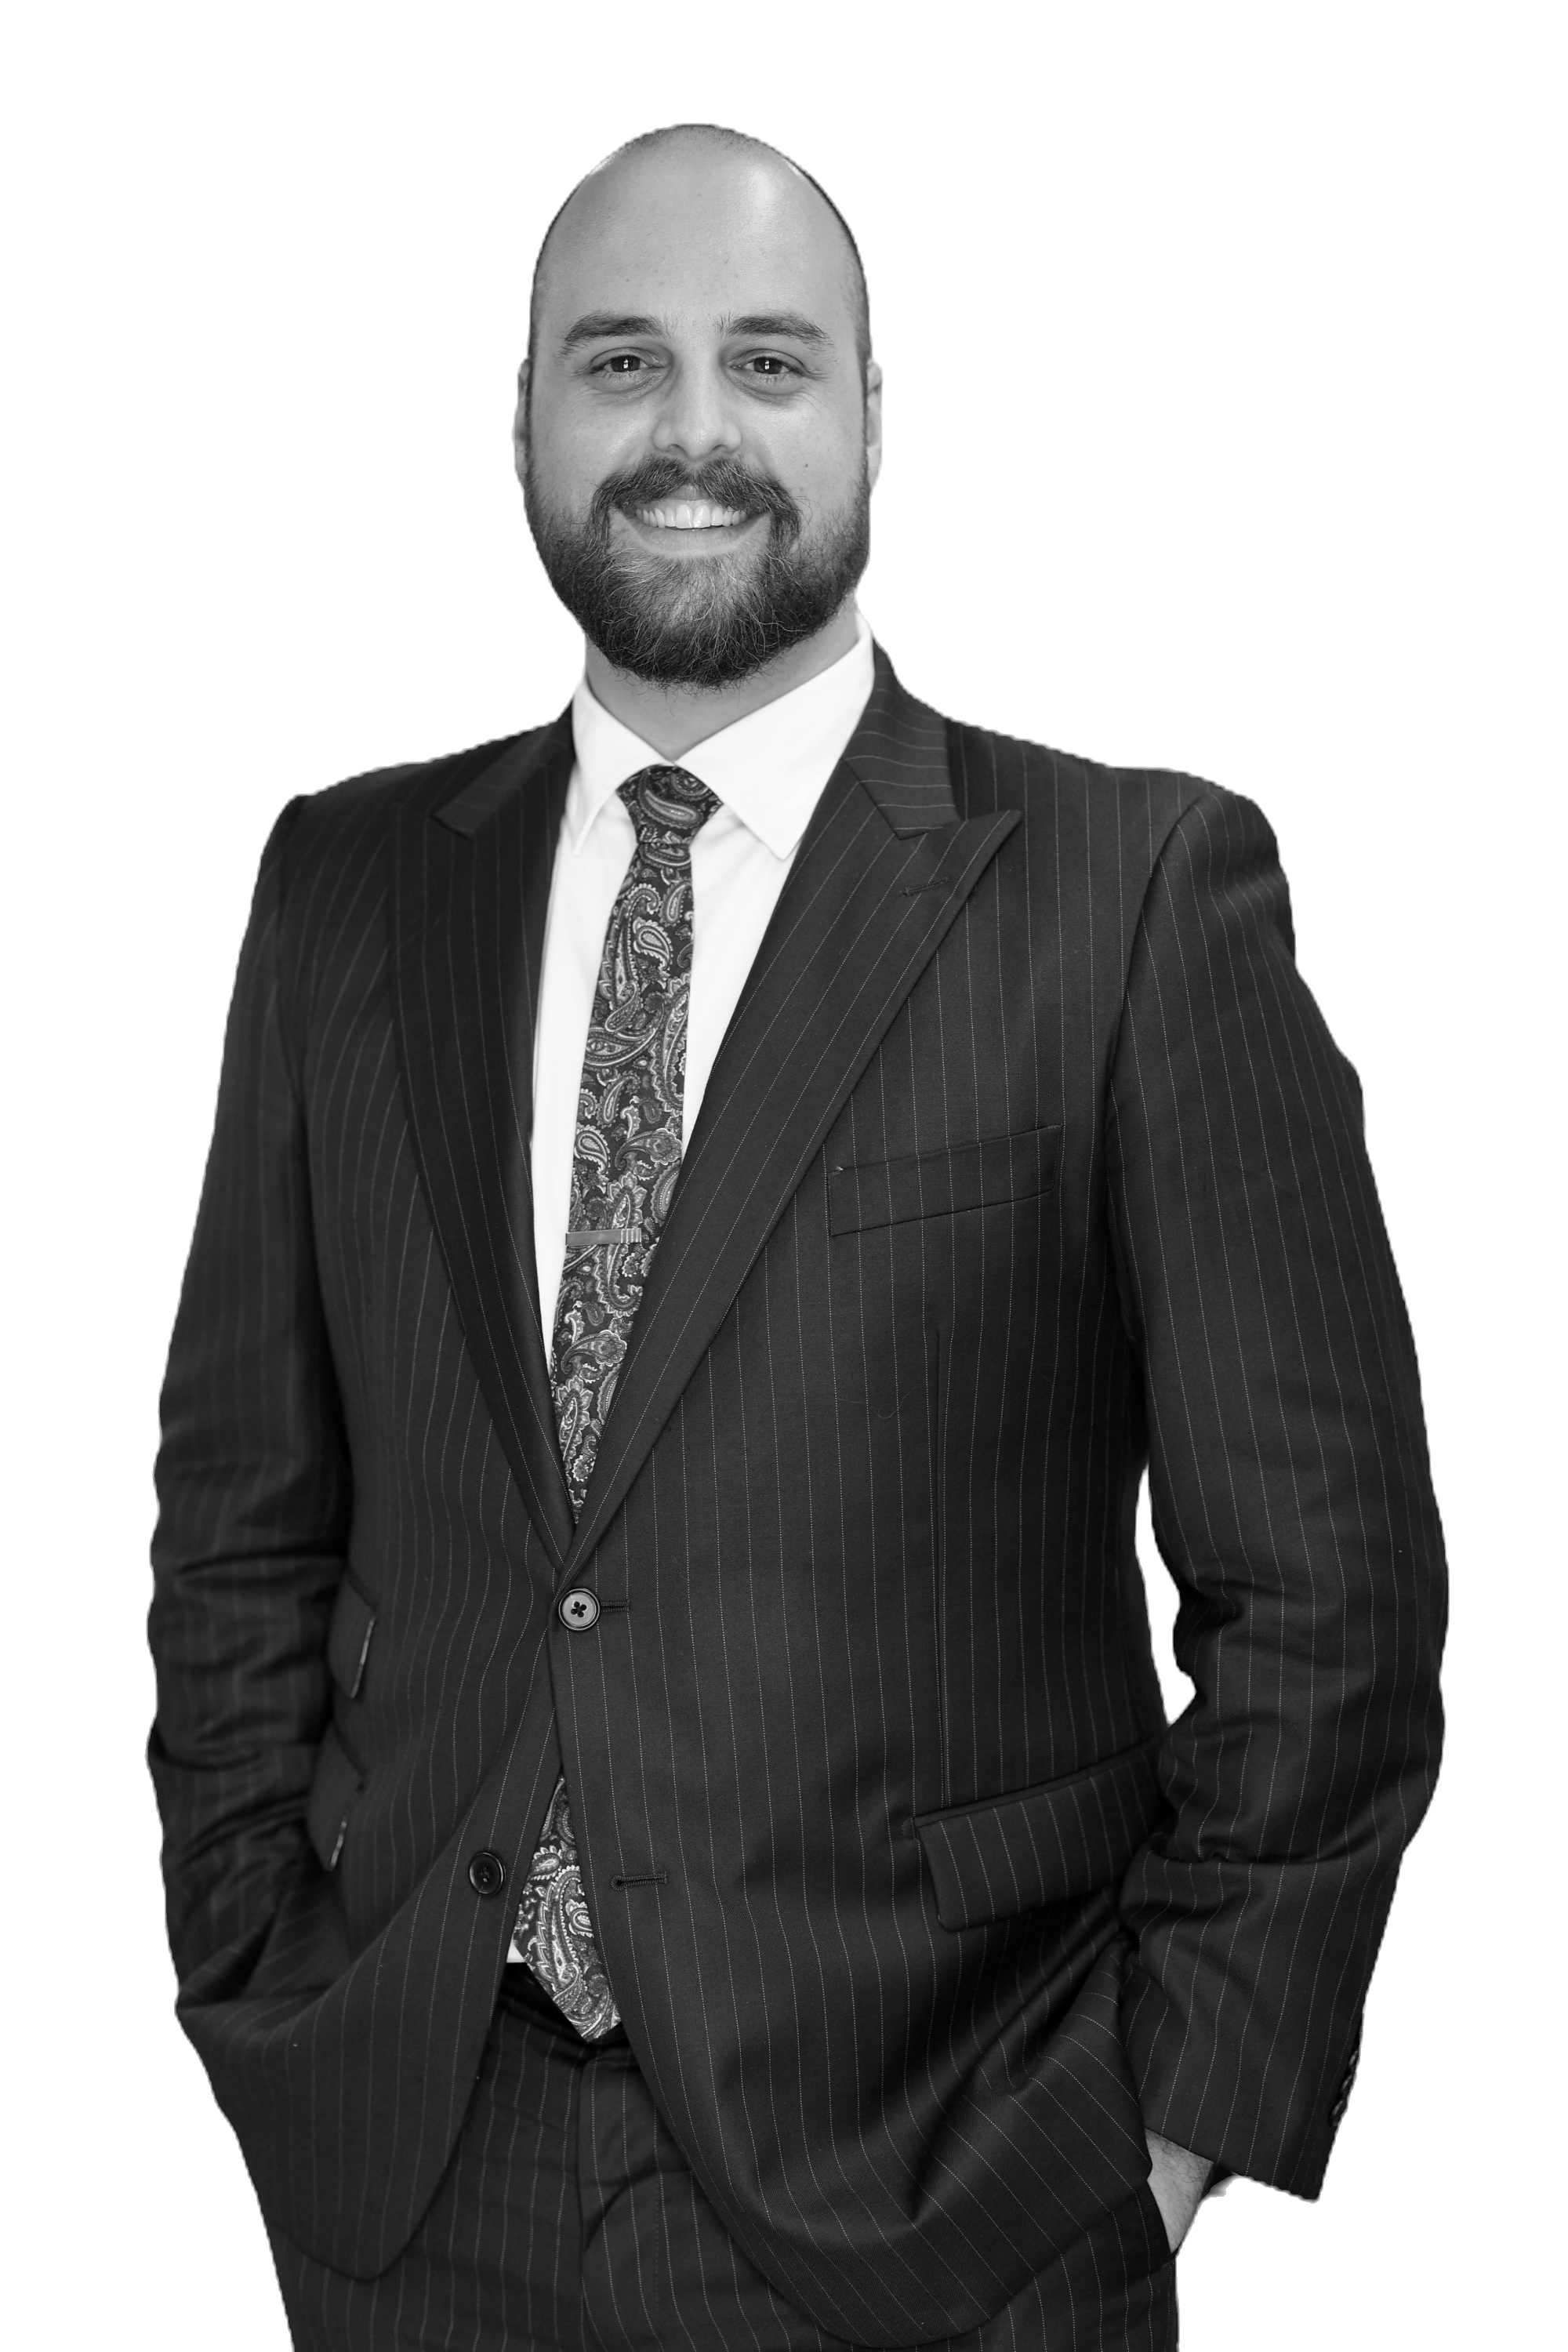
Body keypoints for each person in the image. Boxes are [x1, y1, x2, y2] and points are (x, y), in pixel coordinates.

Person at [147, 122, 1450, 2352]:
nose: (693, 431)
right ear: (528, 435)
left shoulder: (1128, 892)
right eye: (621, 362)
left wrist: (1165, 2120)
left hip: (952, 2195)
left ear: (865, 426)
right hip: (412, 2183)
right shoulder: (344, 888)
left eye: (770, 362)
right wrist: (261, 1983)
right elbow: (237, 1517)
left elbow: (1327, 1587)